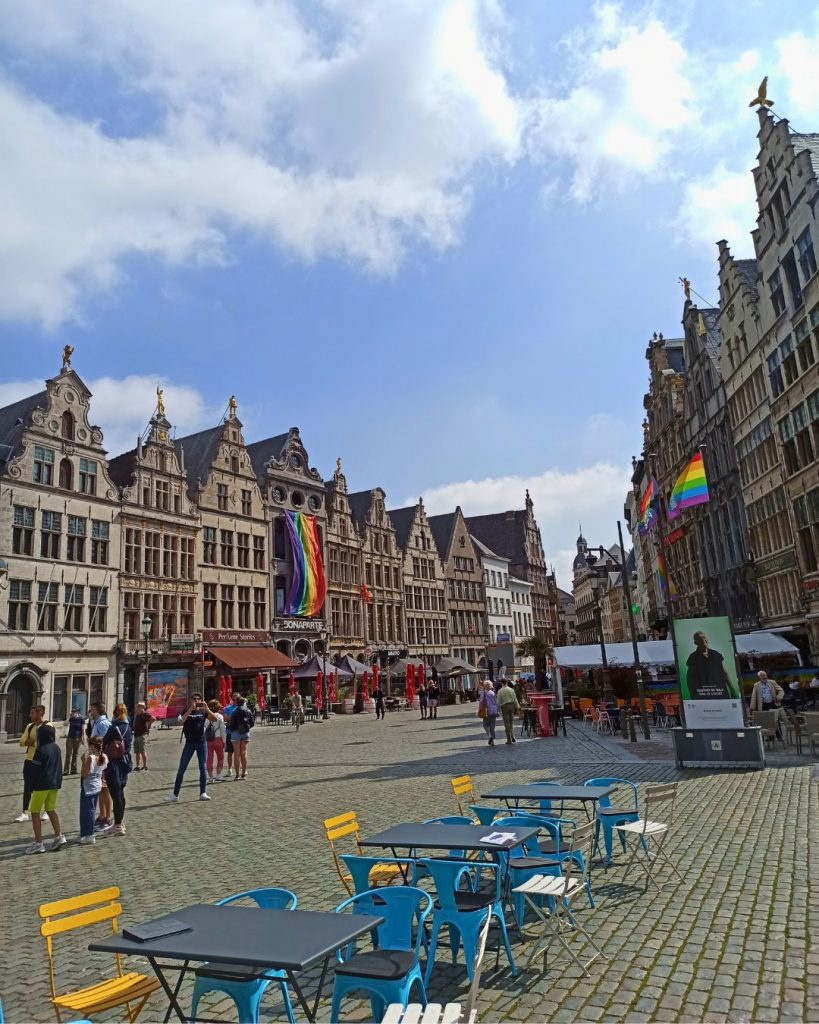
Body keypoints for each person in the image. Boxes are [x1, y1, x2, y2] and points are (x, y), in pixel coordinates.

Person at [166, 693, 218, 802]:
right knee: (181, 768)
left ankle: (203, 793)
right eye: (194, 699)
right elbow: (180, 721)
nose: (196, 701)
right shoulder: (186, 710)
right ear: (191, 700)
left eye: (198, 699)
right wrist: (190, 710)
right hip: (189, 743)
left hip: (201, 742)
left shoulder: (203, 711)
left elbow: (214, 719)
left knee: (202, 768)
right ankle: (175, 795)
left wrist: (207, 709)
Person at [27, 724, 66, 854]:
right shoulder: (56, 748)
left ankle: (39, 843)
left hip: (41, 785)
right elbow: (59, 766)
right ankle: (58, 835)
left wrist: (30, 785)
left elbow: (34, 770)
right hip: (54, 784)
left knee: (35, 812)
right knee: (50, 809)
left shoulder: (40, 750)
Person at [14, 705, 50, 823]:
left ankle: (46, 811)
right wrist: (34, 742)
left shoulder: (48, 726)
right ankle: (25, 812)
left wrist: (32, 742)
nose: (30, 715)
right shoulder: (30, 726)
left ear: (40, 713)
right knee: (27, 787)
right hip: (30, 761)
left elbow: (47, 743)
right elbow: (22, 741)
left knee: (44, 786)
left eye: (32, 713)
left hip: (42, 761)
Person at [102, 703, 132, 837]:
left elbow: (104, 744)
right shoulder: (128, 727)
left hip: (113, 763)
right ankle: (119, 822)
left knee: (116, 794)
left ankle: (118, 825)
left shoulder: (113, 728)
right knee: (121, 793)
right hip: (125, 762)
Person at [684, 632, 736, 699]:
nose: (703, 640)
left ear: (707, 639)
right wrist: (693, 696)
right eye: (699, 639)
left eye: (704, 637)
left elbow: (724, 673)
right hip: (704, 695)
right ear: (695, 643)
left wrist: (732, 689)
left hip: (720, 693)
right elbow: (690, 680)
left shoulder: (716, 654)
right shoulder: (693, 657)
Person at [78, 737, 108, 846]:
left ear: (92, 746)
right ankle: (85, 833)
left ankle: (88, 834)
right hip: (97, 785)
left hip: (88, 786)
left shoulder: (91, 758)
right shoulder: (103, 756)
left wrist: (83, 762)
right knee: (91, 809)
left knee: (86, 811)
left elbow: (84, 774)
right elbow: (102, 771)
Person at [228, 696, 254, 780]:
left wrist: (233, 729)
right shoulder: (248, 711)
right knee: (244, 752)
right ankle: (244, 773)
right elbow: (252, 723)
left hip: (235, 733)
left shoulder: (234, 712)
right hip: (245, 733)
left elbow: (231, 725)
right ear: (244, 702)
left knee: (237, 753)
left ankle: (237, 774)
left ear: (237, 703)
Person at [206, 699, 226, 782]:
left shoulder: (206, 716)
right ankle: (218, 775)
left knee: (209, 758)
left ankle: (210, 777)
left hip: (208, 739)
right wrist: (224, 741)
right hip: (218, 739)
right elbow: (222, 730)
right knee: (220, 757)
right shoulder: (220, 716)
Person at [132, 702, 154, 771]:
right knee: (137, 752)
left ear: (142, 708)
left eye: (138, 707)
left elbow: (153, 718)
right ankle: (137, 766)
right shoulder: (138, 715)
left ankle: (144, 765)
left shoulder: (145, 714)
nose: (137, 708)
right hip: (136, 735)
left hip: (142, 735)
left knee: (142, 751)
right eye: (137, 707)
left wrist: (149, 724)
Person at [497, 678, 520, 744]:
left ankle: (509, 739)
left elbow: (498, 701)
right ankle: (513, 736)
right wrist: (517, 706)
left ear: (501, 683)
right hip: (512, 706)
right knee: (511, 722)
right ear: (507, 682)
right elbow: (515, 698)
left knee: (506, 724)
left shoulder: (500, 691)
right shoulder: (511, 690)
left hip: (504, 707)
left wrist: (497, 710)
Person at [221, 692, 239, 778]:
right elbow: (225, 718)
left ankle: (239, 769)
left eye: (237, 699)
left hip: (239, 733)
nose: (235, 701)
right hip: (230, 732)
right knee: (230, 752)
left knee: (239, 753)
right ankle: (230, 769)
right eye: (234, 699)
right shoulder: (228, 708)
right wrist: (235, 717)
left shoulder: (242, 708)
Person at [64, 707, 85, 776]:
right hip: (70, 738)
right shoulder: (71, 718)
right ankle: (66, 770)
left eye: (74, 712)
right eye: (72, 712)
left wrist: (83, 739)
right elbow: (65, 724)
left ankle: (73, 770)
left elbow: (83, 729)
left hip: (78, 738)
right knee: (68, 754)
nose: (73, 713)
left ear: (78, 712)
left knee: (75, 754)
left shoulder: (81, 719)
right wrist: (69, 717)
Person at [478, 680, 498, 746]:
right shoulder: (493, 693)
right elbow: (496, 702)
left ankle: (490, 736)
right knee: (492, 725)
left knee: (485, 724)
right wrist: (497, 710)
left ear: (484, 686)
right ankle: (492, 740)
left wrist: (479, 710)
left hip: (486, 711)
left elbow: (481, 702)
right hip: (493, 711)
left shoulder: (483, 693)